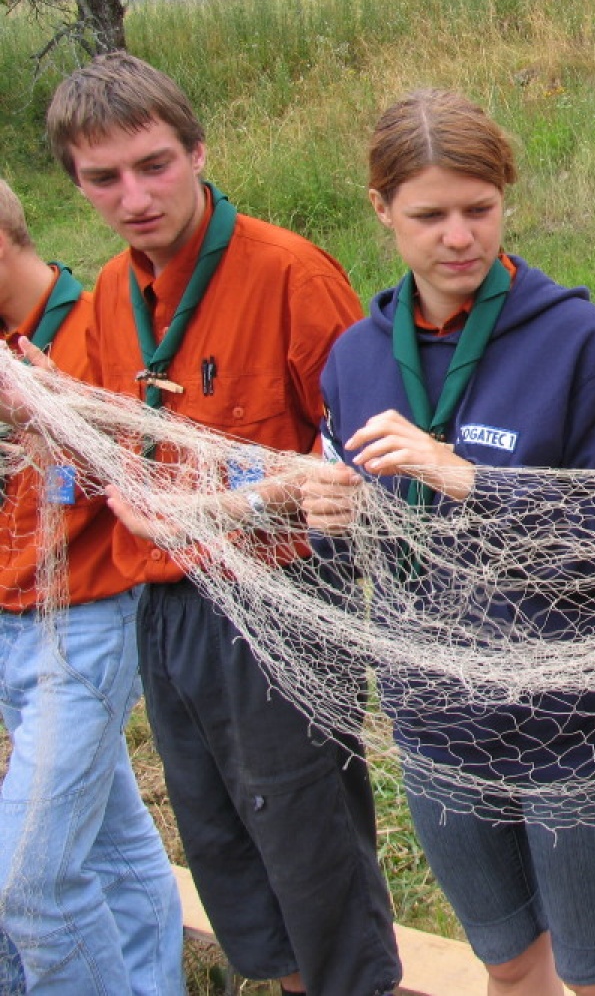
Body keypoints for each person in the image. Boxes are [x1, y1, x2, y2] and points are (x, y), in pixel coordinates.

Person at [44, 53, 400, 996]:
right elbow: (91, 444)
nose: (135, 195)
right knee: (224, 836)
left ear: (199, 150)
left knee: (307, 834)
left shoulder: (288, 272)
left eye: (155, 163)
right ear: (75, 185)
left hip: (280, 597)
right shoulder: (108, 297)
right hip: (167, 602)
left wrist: (255, 496)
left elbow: (358, 448)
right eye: (104, 178)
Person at [299, 90, 595, 996]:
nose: (458, 236)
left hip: (567, 721)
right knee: (508, 965)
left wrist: (465, 475)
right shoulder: (354, 355)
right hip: (432, 724)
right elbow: (361, 539)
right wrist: (333, 513)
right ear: (381, 210)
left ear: (506, 199)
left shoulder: (578, 342)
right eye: (429, 215)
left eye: (479, 209)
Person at [0, 178, 182, 994]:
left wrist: (52, 411)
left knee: (30, 880)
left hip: (87, 616)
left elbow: (155, 465)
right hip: (12, 618)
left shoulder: (99, 321)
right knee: (107, 835)